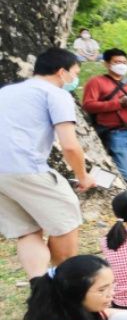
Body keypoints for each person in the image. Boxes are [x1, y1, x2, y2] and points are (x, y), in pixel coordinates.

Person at [0, 47, 95, 279]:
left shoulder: (6, 92)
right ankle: (65, 283)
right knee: (66, 222)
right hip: (27, 168)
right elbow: (69, 145)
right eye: (75, 73)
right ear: (61, 72)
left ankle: (39, 285)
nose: (75, 79)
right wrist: (83, 176)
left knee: (27, 231)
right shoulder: (56, 94)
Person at [83, 48, 127, 190]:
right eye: (117, 62)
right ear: (106, 64)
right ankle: (119, 197)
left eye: (124, 62)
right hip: (116, 133)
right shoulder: (96, 82)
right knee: (123, 172)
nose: (122, 65)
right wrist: (119, 103)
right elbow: (88, 105)